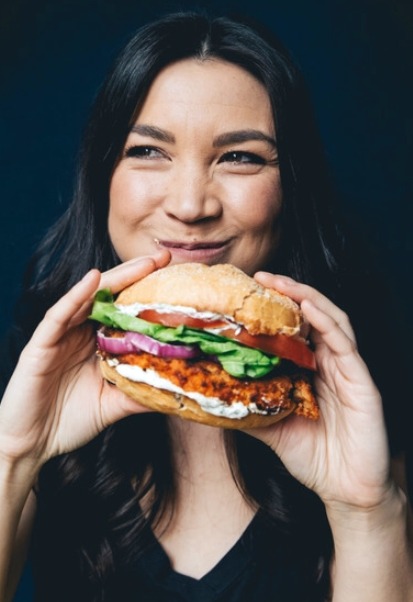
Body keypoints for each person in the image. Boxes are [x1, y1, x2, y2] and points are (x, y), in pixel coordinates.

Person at [0, 10, 412, 602]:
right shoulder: (38, 361)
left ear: (290, 183)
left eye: (240, 157)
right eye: (148, 150)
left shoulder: (354, 379)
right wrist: (15, 456)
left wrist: (366, 508)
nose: (191, 205)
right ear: (102, 174)